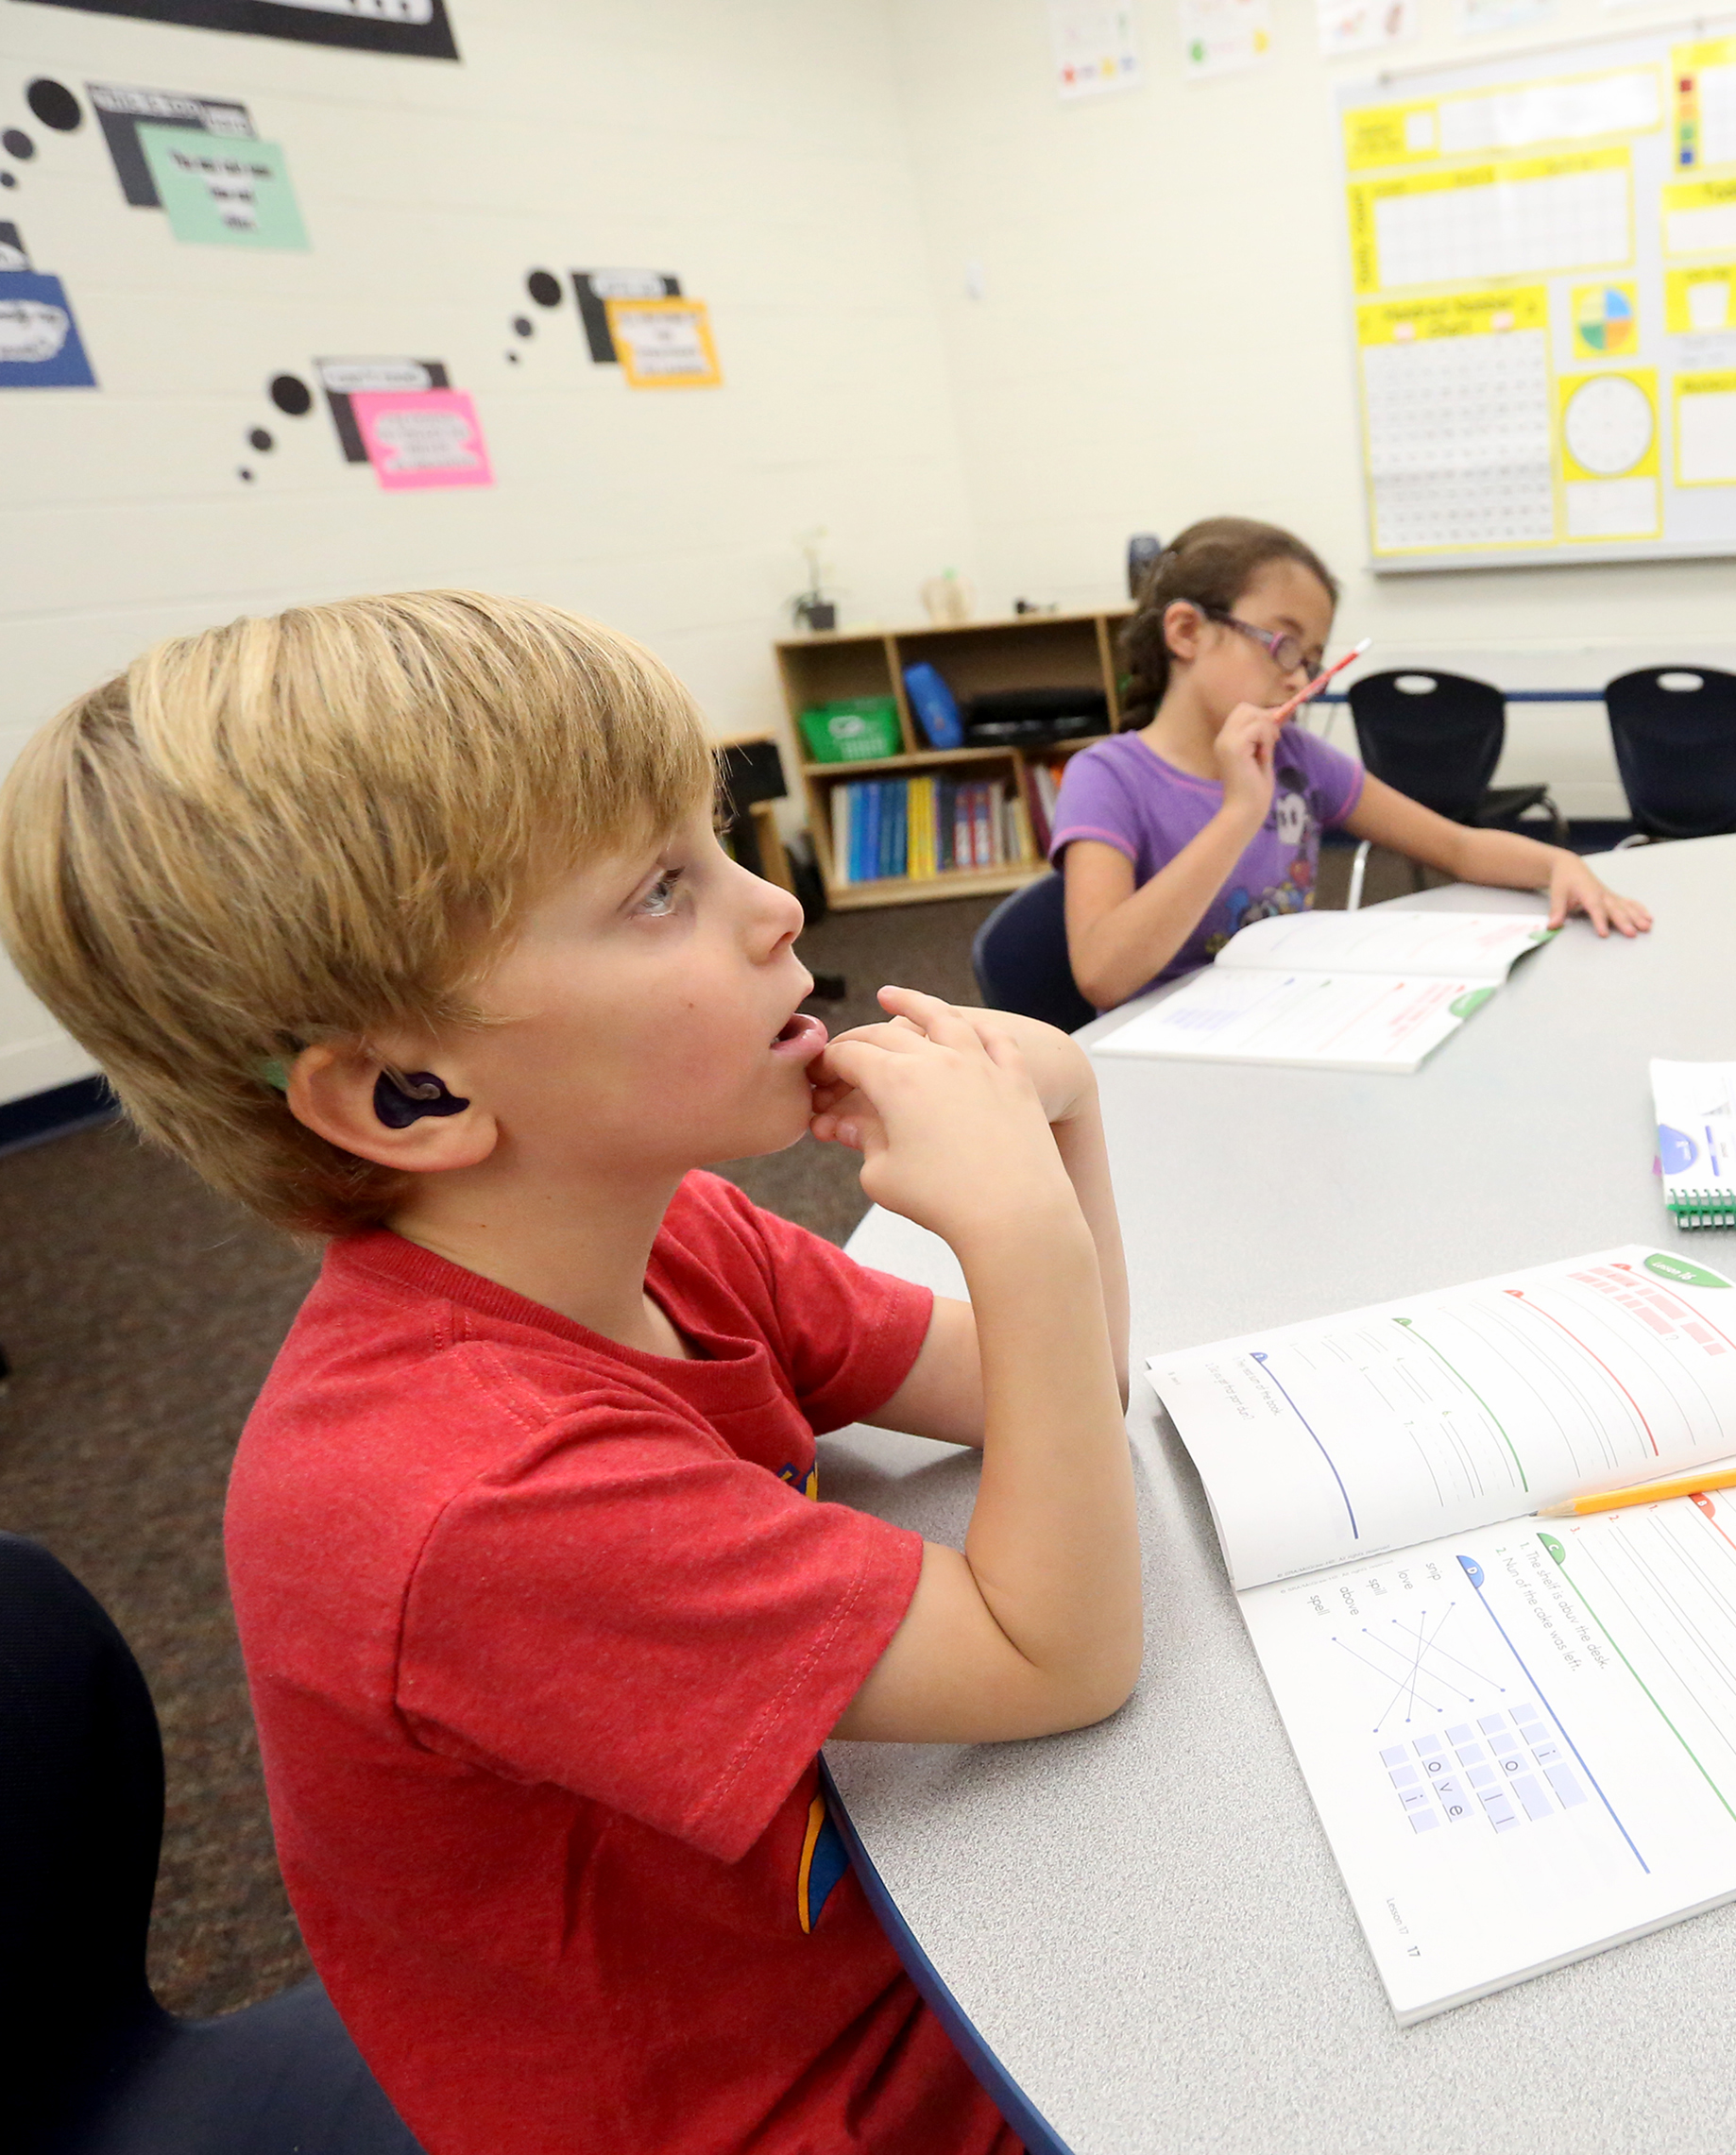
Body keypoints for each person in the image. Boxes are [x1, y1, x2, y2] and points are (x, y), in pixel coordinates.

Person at [0, 591, 1141, 2153]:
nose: (779, 908)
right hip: (769, 2102)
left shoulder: (673, 1234)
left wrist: (1058, 1124)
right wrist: (1021, 1224)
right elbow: (1058, 1654)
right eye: (664, 889)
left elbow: (1055, 1396)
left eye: (722, 836)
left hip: (861, 1949)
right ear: (411, 1092)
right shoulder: (475, 1494)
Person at [1059, 517, 1650, 1010]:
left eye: (1311, 660)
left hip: (1286, 1017)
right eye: (1282, 644)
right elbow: (1103, 975)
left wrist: (1558, 863)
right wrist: (1240, 812)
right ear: (1186, 632)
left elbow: (1456, 848)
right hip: (1164, 1052)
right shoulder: (1106, 778)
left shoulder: (1296, 760)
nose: (1298, 680)